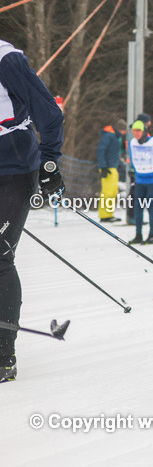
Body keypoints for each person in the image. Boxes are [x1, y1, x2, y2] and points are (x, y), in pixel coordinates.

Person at [0, 40, 65, 383]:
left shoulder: (6, 59)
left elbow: (48, 112)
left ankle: (2, 354)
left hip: (13, 168)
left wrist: (51, 159)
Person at [127, 119, 153, 245]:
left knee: (149, 204)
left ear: (144, 131)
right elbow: (134, 157)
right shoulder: (132, 142)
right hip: (140, 179)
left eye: (138, 130)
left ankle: (152, 235)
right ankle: (138, 235)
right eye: (133, 131)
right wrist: (133, 170)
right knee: (138, 206)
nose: (136, 133)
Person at [97, 119, 127, 222]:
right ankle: (104, 215)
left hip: (113, 167)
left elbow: (115, 151)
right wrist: (103, 167)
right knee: (107, 192)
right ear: (121, 129)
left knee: (113, 192)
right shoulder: (109, 135)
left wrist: (122, 148)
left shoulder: (116, 137)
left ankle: (109, 213)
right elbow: (101, 151)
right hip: (108, 168)